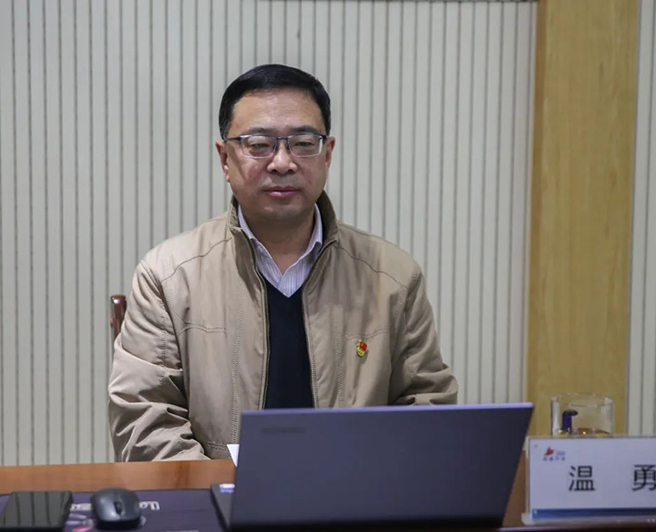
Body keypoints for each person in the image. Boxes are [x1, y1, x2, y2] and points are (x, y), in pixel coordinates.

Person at [108, 64, 458, 461]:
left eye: (303, 143)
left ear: (328, 154)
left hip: (354, 495)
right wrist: (229, 491)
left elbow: (426, 411)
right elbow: (145, 422)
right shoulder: (168, 277)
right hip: (219, 496)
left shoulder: (392, 277)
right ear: (225, 159)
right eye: (259, 144)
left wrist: (361, 485)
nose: (282, 162)